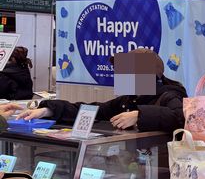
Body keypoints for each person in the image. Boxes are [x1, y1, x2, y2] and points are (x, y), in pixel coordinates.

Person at [14, 49, 185, 133]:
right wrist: (47, 109)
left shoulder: (170, 94)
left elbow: (180, 117)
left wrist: (139, 115)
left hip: (165, 172)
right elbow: (93, 110)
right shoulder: (127, 100)